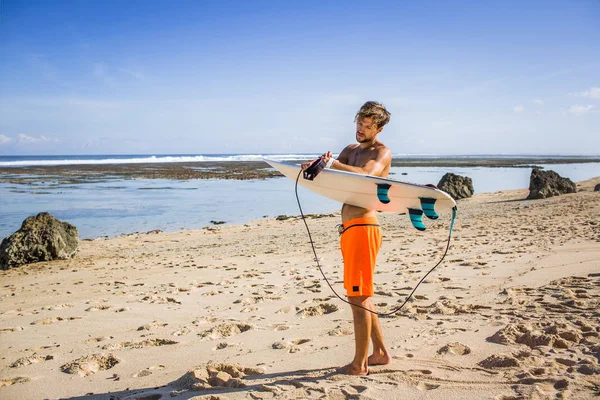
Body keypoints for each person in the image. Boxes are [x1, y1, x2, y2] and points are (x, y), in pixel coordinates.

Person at [302, 101, 393, 375]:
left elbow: (367, 175)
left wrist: (335, 163)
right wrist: (318, 166)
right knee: (361, 295)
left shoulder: (382, 152)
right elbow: (332, 174)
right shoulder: (350, 150)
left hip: (365, 226)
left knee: (359, 297)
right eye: (359, 124)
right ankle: (379, 353)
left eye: (367, 126)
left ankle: (359, 364)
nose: (361, 130)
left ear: (378, 128)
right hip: (349, 228)